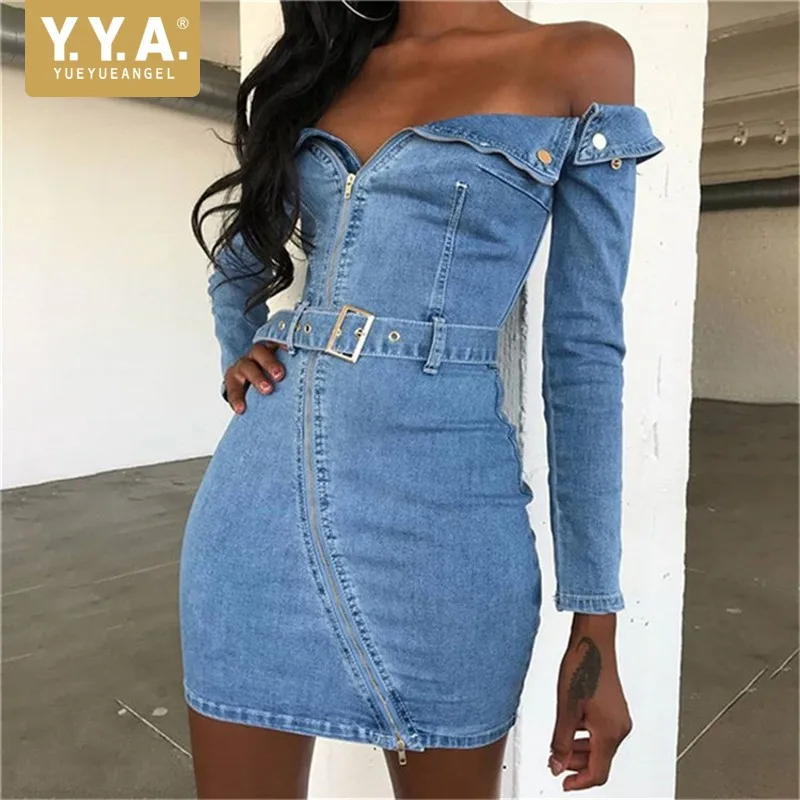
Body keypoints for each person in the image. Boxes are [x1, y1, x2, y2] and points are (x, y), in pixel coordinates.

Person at [179, 1, 665, 797]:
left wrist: (594, 624)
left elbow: (583, 352)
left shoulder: (583, 60)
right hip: (256, 518)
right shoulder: (326, 67)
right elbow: (238, 255)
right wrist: (244, 349)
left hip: (447, 527)